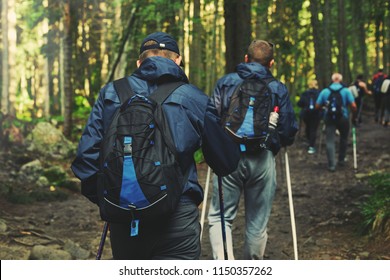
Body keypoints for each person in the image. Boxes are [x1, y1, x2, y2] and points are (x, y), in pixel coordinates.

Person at [71, 31, 240, 260]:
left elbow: (86, 160)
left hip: (125, 219)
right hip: (177, 215)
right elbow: (226, 161)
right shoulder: (192, 97)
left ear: (140, 62)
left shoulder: (111, 93)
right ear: (178, 60)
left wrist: (112, 200)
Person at [207, 40, 298, 260]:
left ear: (245, 59)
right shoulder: (278, 88)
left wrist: (214, 148)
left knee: (220, 217)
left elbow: (210, 117)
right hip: (262, 157)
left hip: (228, 157)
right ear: (271, 63)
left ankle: (224, 267)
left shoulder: (227, 82)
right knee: (257, 223)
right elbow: (288, 129)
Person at [315, 73, 357, 172]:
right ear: (341, 80)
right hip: (343, 117)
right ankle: (341, 160)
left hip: (329, 118)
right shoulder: (346, 91)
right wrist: (354, 116)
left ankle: (331, 165)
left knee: (330, 140)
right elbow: (354, 106)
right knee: (344, 138)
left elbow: (317, 106)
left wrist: (324, 108)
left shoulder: (325, 91)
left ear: (332, 80)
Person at [297, 79, 321, 154]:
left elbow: (300, 103)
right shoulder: (319, 93)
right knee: (313, 129)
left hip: (306, 114)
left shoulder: (305, 93)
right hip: (316, 114)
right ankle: (311, 146)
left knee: (308, 128)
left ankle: (309, 141)